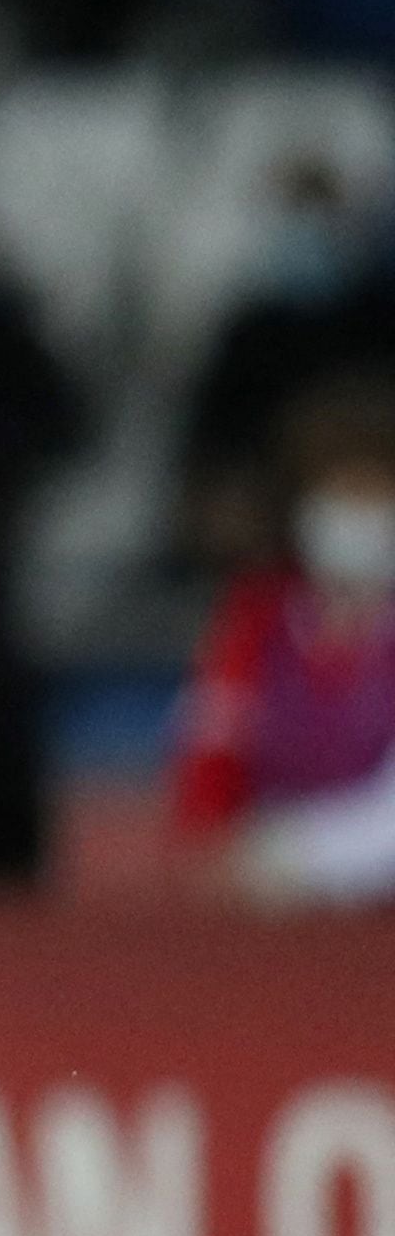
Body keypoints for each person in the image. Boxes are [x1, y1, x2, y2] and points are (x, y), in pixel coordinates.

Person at [174, 376, 395, 910]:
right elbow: (213, 742)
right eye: (340, 494)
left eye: (373, 496)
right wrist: (215, 838)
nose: (355, 517)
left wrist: (306, 856)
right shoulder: (259, 618)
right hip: (271, 876)